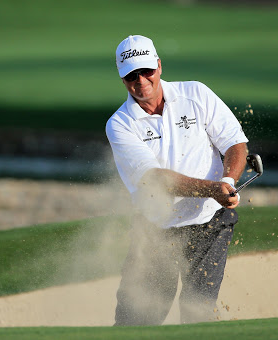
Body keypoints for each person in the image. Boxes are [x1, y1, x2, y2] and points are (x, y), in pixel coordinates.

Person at [105, 35, 249, 325]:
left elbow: (235, 143)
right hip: (155, 231)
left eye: (146, 70)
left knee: (198, 310)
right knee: (136, 319)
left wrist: (228, 181)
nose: (141, 80)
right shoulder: (120, 124)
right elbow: (156, 180)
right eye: (132, 75)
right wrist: (214, 189)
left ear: (159, 66)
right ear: (123, 80)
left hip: (210, 225)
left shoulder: (195, 94)